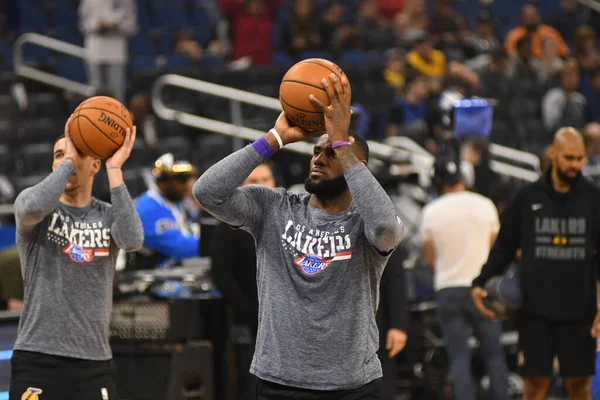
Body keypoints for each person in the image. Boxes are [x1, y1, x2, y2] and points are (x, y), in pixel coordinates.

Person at [193, 71, 405, 398]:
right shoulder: (274, 206)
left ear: (355, 164)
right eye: (317, 151)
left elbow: (389, 229)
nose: (319, 158)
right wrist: (274, 139)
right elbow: (207, 192)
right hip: (278, 382)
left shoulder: (366, 223)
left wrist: (341, 139)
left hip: (352, 386)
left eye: (331, 152)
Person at [9, 118, 143, 399]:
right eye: (59, 155)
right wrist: (71, 159)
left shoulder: (107, 215)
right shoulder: (35, 208)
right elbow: (32, 207)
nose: (67, 159)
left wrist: (115, 169)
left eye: (77, 153)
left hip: (94, 361)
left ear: (95, 165)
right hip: (38, 357)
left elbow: (133, 240)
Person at [472, 127, 600, 400]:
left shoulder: (593, 198)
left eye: (580, 159)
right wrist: (481, 282)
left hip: (580, 313)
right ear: (554, 155)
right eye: (568, 158)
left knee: (579, 386)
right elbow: (504, 246)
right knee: (535, 386)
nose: (574, 165)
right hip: (535, 313)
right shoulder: (527, 197)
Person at [421, 157, 508, 400]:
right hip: (482, 289)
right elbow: (496, 249)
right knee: (494, 354)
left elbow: (430, 257)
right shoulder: (485, 204)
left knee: (458, 356)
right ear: (464, 177)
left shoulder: (431, 211)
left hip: (448, 288)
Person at [210, 162, 277, 400]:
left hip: (285, 325)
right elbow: (222, 276)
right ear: (241, 187)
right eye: (253, 181)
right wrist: (253, 313)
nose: (261, 186)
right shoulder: (229, 225)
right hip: (247, 323)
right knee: (250, 386)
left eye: (265, 179)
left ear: (275, 182)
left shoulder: (288, 222)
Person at [126, 153, 200, 270]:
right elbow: (182, 248)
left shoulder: (176, 202)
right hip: (149, 278)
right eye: (182, 179)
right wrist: (218, 245)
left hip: (174, 271)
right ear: (164, 180)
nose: (187, 184)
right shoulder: (148, 209)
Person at [78, 0, 137, 102]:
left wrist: (119, 26)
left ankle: (117, 117)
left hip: (116, 49)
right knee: (95, 91)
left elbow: (131, 25)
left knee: (117, 92)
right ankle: (94, 117)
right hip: (95, 48)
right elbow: (84, 24)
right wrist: (97, 25)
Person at [376, 245, 409, 400]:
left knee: (381, 378)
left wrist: (399, 325)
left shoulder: (380, 228)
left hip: (378, 320)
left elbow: (396, 277)